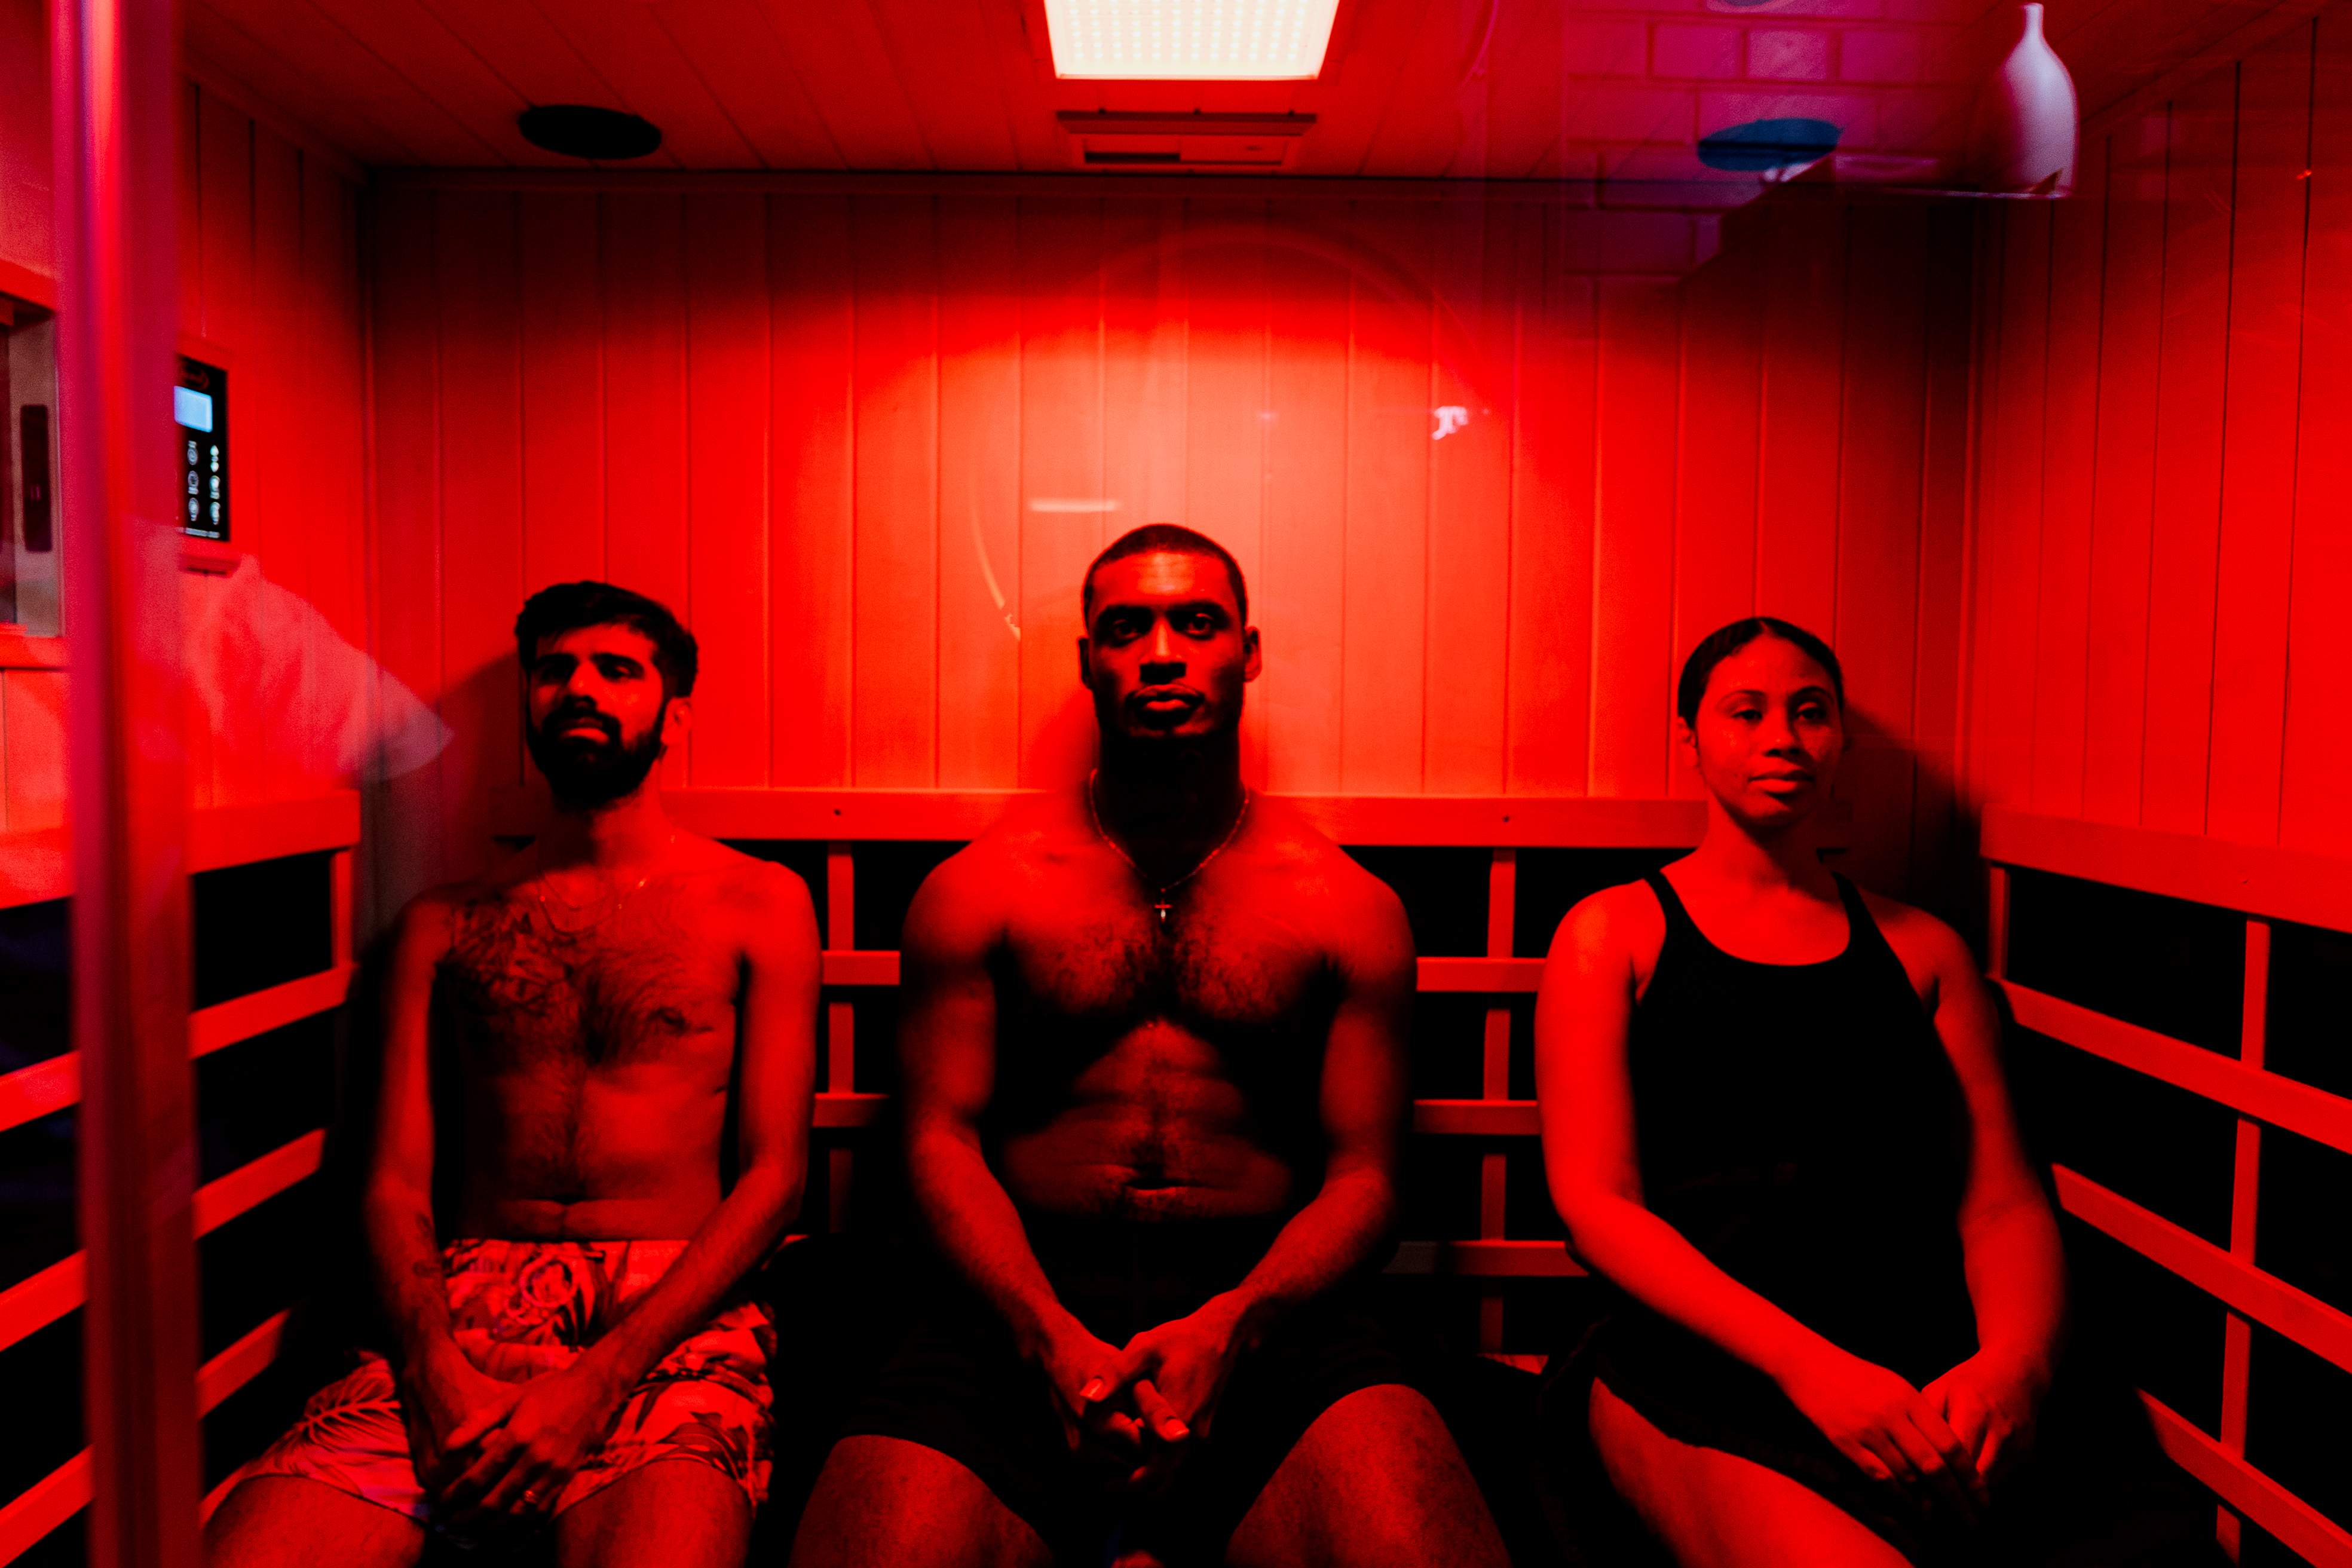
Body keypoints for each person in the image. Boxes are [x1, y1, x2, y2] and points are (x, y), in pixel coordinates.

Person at [789, 525, 1509, 1568]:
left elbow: (1366, 1177)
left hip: (1272, 1304)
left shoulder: (1348, 909)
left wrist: (1236, 1324)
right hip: (1012, 1296)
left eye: (1196, 623)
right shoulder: (981, 889)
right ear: (1089, 660)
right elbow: (938, 1142)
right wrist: (1043, 1337)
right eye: (1127, 629)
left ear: (1247, 652)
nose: (1162, 652)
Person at [207, 581, 821, 1568]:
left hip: (674, 1315)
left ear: (675, 715)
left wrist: (601, 1379)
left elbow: (773, 1177)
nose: (580, 687)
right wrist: (432, 1368)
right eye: (555, 669)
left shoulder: (762, 905)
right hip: (456, 1308)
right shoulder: (442, 925)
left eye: (617, 669)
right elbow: (393, 1182)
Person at [1532, 617, 2071, 1567]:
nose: (1782, 737)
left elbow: (2000, 1199)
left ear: (1841, 742)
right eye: (1747, 713)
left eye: (1810, 713)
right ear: (1690, 737)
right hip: (1694, 1354)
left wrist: (2013, 1368)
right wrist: (1808, 1368)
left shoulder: (1923, 949)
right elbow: (1596, 1207)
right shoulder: (1612, 934)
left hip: (1911, 1351)